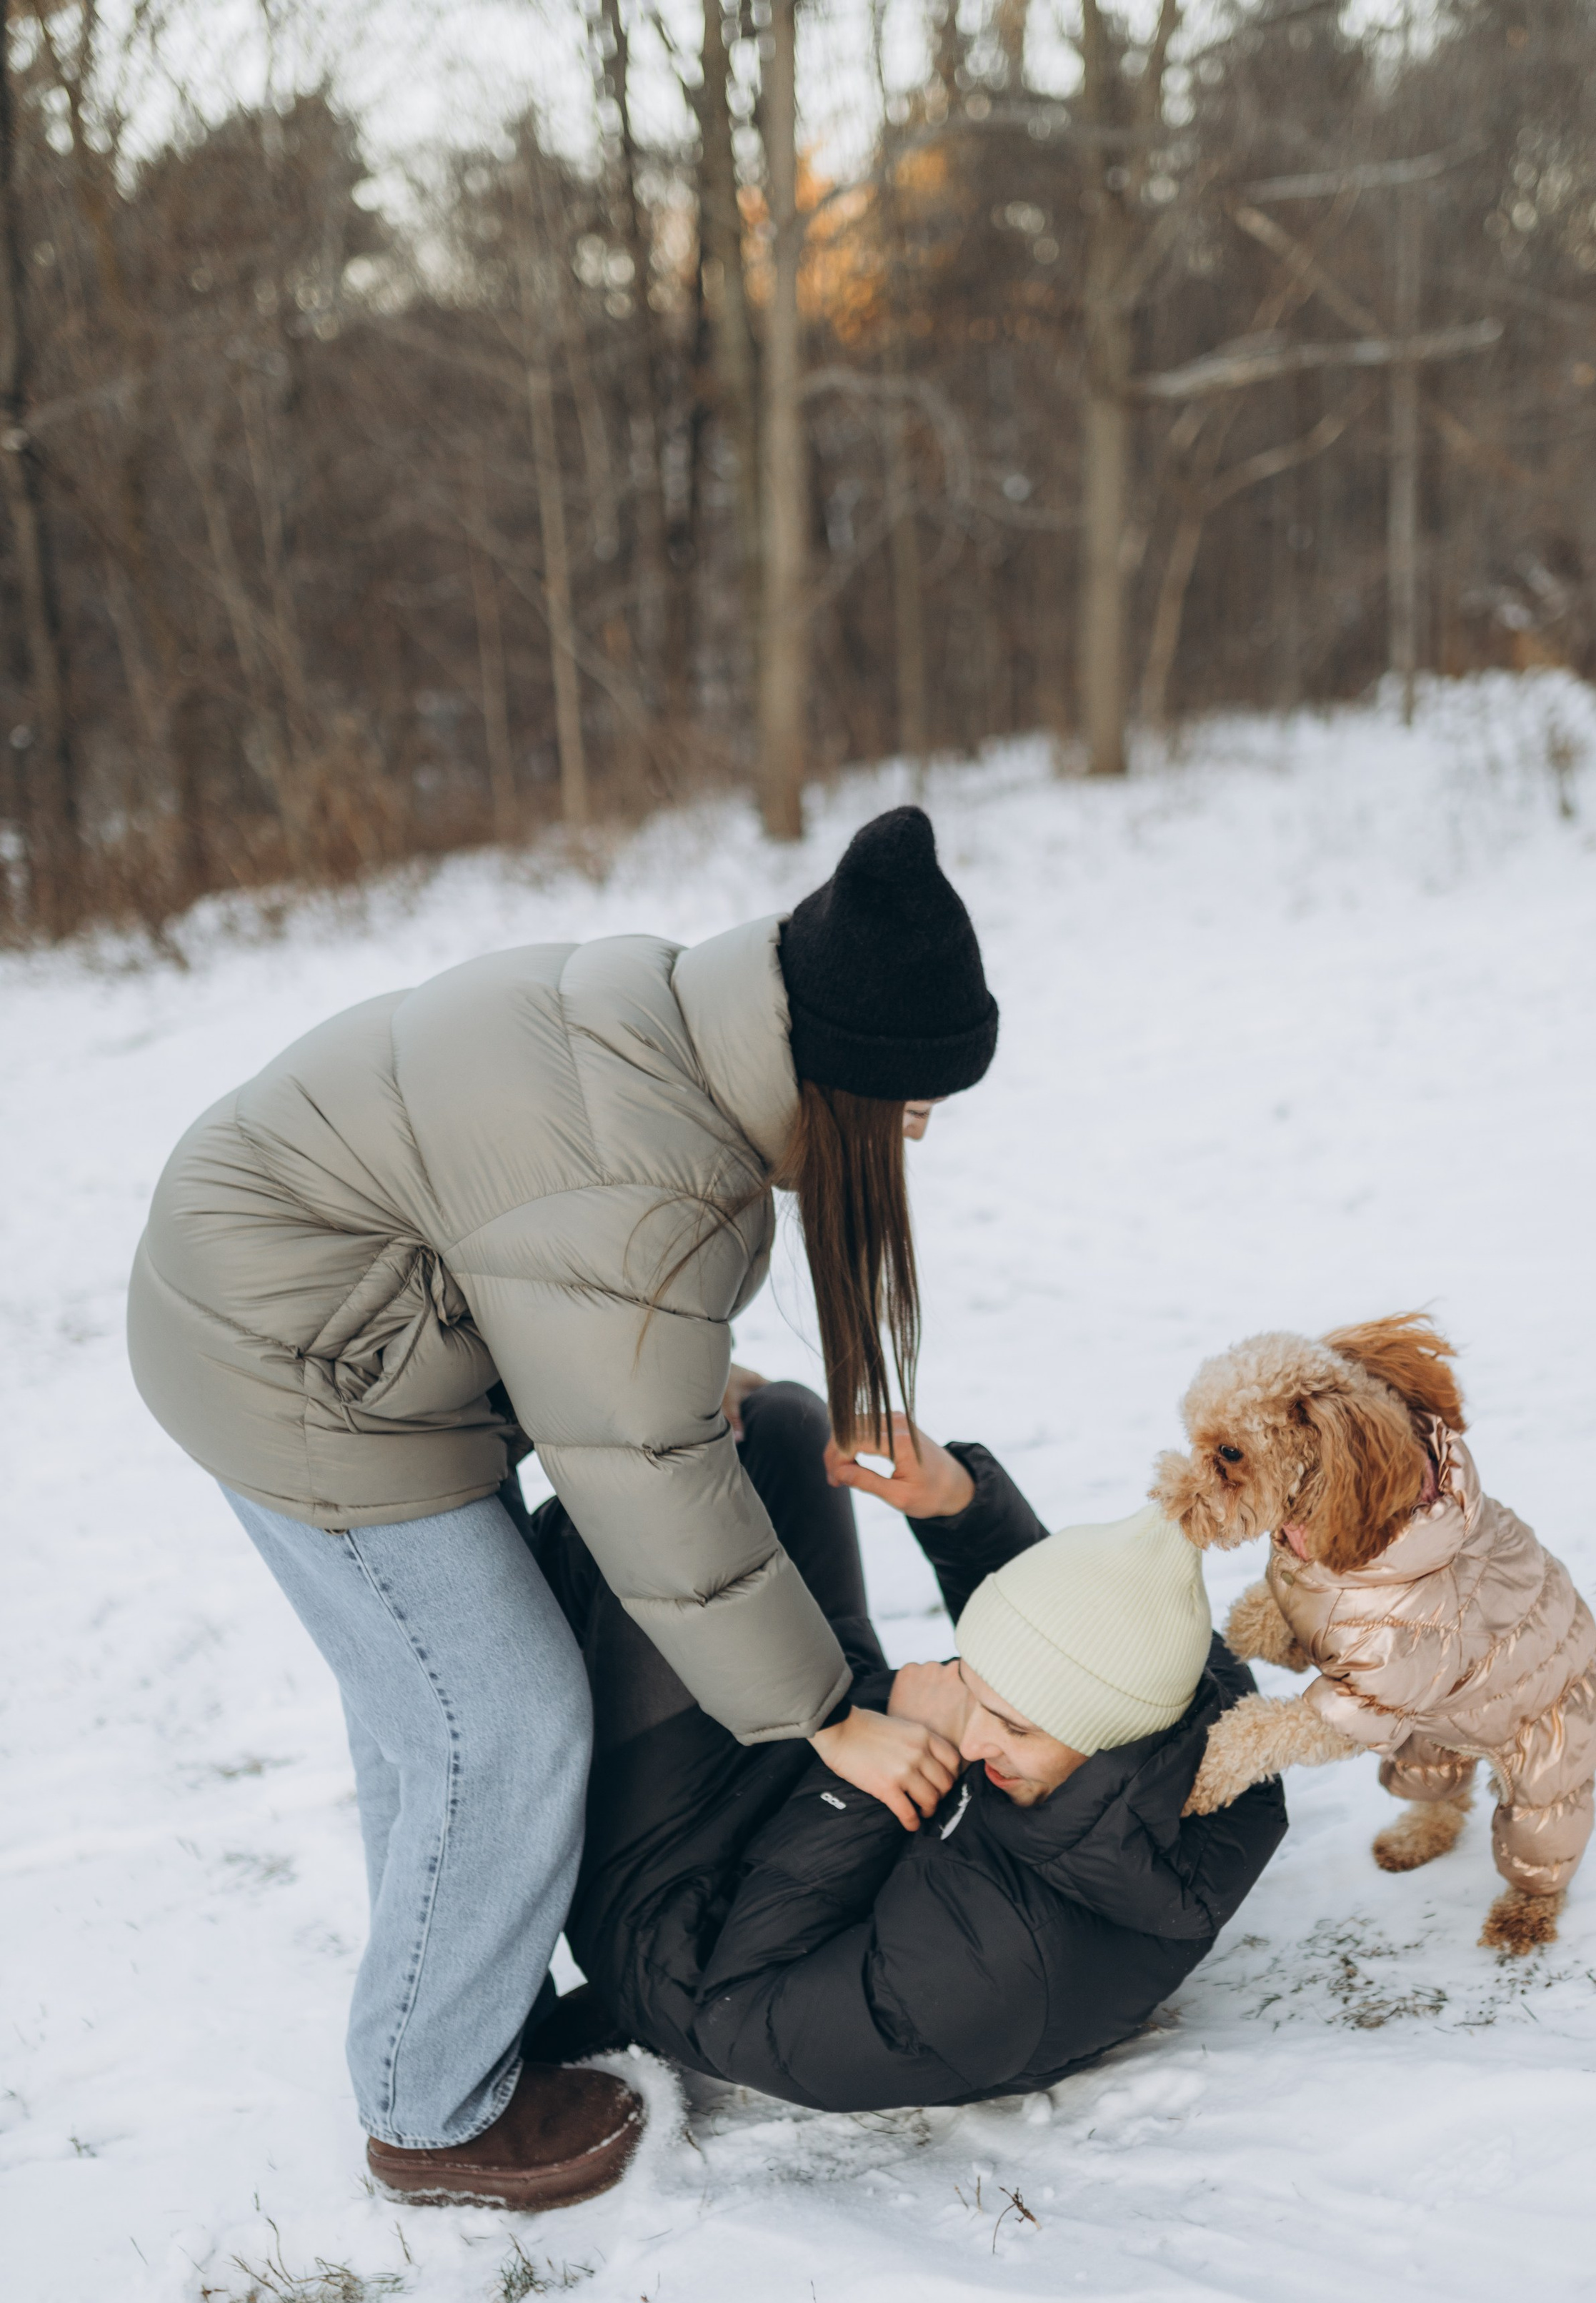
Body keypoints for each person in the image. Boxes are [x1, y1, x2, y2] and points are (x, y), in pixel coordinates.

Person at [125, 807, 997, 2210]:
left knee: (431, 1716)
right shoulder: (653, 1169)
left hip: (310, 1301)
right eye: (905, 1108)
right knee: (502, 1719)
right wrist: (829, 1712)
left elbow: (556, 1265)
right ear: (834, 1070)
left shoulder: (686, 1026)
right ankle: (430, 2112)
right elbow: (647, 1472)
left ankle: (460, 2016)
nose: (918, 1132)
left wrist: (674, 1374)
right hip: (295, 1366)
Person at [527, 1386, 1288, 2109]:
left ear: (1106, 1743)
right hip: (840, 1751)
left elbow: (739, 2010)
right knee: (783, 1423)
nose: (976, 1736)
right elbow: (1062, 1633)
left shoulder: (999, 1970)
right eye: (970, 1688)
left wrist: (865, 1781)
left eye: (1013, 1728)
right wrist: (960, 1505)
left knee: (646, 1526)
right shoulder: (1183, 1702)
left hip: (684, 1921)